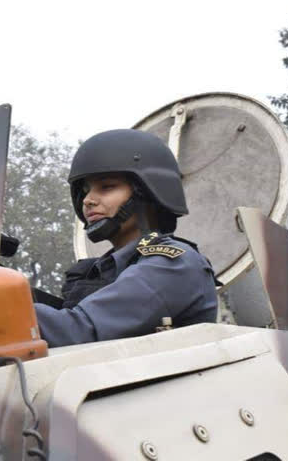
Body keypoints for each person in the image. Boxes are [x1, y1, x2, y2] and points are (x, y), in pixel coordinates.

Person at [34, 129, 218, 347]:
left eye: (107, 187)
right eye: (85, 191)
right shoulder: (98, 271)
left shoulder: (173, 264)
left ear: (146, 193)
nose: (88, 200)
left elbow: (80, 331)